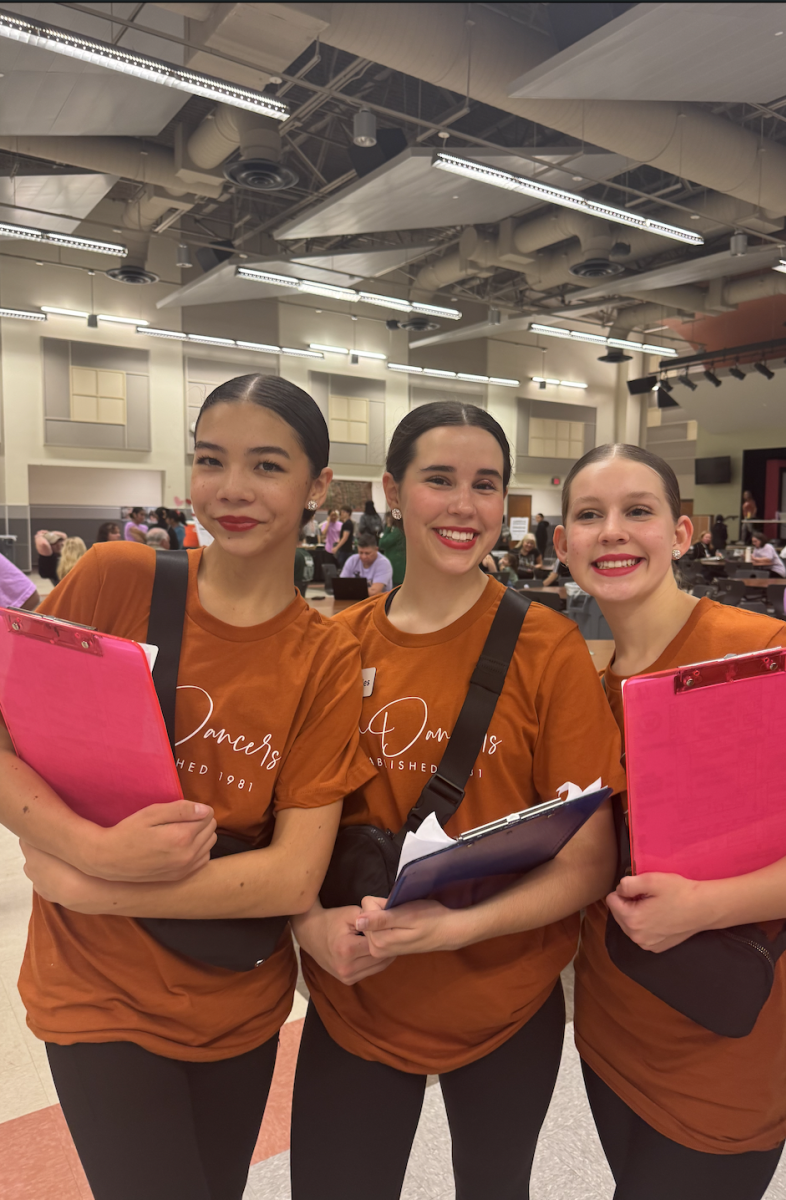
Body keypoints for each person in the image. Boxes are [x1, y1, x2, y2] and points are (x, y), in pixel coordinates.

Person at [7, 373, 374, 1200]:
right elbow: (7, 742)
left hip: (237, 1002)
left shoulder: (324, 656)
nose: (232, 490)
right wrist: (90, 848)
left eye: (268, 466)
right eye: (211, 460)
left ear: (319, 486)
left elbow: (291, 876)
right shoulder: (115, 579)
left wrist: (95, 887)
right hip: (94, 993)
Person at [290, 400, 625, 1200]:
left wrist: (453, 929)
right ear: (391, 492)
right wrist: (307, 925)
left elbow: (589, 860)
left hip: (505, 1000)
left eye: (486, 484)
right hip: (357, 996)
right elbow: (289, 829)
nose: (464, 506)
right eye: (439, 479)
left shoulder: (547, 648)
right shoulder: (336, 646)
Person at [555, 442, 786, 1200]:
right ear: (562, 543)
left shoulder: (761, 654)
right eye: (588, 515)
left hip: (725, 1048)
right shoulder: (583, 686)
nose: (611, 531)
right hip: (610, 1033)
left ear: (679, 534)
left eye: (636, 511)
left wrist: (706, 906)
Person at [378, 511, 406, 586]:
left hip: (396, 568)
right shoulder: (400, 530)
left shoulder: (398, 531)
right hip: (398, 566)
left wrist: (388, 526)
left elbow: (382, 543)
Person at [332, 504, 355, 568]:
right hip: (347, 550)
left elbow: (345, 538)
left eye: (342, 512)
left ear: (347, 513)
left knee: (342, 568)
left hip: (345, 551)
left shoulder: (347, 524)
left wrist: (336, 547)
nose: (341, 514)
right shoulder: (348, 523)